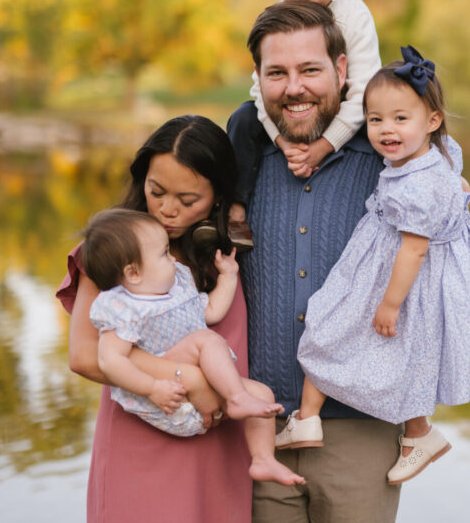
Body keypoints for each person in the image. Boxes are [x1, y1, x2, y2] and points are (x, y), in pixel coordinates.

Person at [277, 47, 470, 484]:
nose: (386, 130)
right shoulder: (431, 157)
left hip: (401, 275)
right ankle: (346, 424)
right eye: (376, 120)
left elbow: (414, 250)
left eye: (401, 119)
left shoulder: (418, 183)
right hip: (394, 263)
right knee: (366, 338)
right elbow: (458, 180)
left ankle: (324, 420)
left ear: (432, 121)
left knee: (333, 325)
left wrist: (389, 304)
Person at [227, 1, 395, 522]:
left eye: (310, 70)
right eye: (277, 72)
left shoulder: (391, 164)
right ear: (258, 79)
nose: (293, 88)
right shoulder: (235, 165)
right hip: (258, 430)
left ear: (342, 71)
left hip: (359, 428)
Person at [56, 115, 254, 522]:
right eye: (156, 191)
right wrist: (190, 379)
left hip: (219, 445)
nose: (167, 210)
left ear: (217, 196)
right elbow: (84, 355)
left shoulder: (226, 256)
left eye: (187, 200)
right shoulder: (114, 254)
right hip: (143, 432)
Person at [80, 208, 304, 486]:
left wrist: (229, 277)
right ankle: (235, 399)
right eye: (164, 254)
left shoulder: (175, 289)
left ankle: (263, 460)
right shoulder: (122, 305)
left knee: (263, 393)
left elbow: (210, 311)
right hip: (166, 398)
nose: (172, 259)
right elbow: (111, 361)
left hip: (201, 398)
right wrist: (151, 387)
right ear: (133, 273)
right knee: (205, 339)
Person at [225, 0, 382, 248]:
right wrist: (285, 145)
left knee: (394, 115)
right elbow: (260, 93)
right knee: (242, 118)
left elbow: (365, 93)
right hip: (293, 121)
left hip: (354, 104)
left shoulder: (352, 13)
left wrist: (321, 148)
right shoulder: (274, 20)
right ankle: (235, 210)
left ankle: (433, 182)